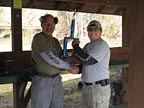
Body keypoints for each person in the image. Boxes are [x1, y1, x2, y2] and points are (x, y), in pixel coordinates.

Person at [31, 14, 78, 108]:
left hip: (56, 80)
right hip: (43, 80)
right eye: (46, 24)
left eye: (52, 24)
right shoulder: (38, 38)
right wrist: (69, 67)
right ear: (41, 25)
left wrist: (75, 53)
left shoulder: (55, 41)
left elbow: (62, 57)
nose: (49, 27)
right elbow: (49, 57)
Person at [71, 20, 111, 108]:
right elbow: (84, 63)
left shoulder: (101, 45)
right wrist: (78, 69)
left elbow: (87, 60)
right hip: (87, 87)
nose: (92, 32)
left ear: (101, 31)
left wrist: (76, 46)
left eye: (95, 29)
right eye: (90, 30)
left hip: (98, 88)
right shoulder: (88, 46)